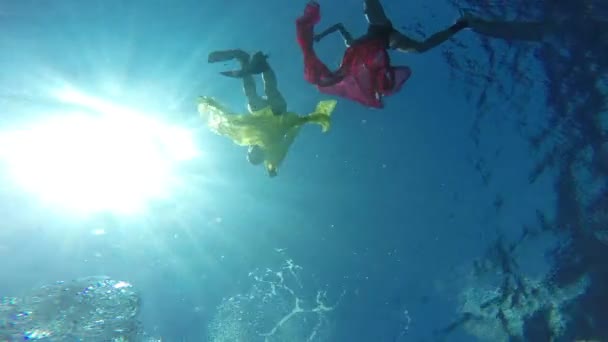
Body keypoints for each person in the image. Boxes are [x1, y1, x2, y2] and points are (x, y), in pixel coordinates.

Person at [295, 0, 470, 108]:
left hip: (378, 28)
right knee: (420, 48)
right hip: (389, 40)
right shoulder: (361, 68)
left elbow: (339, 26)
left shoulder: (352, 46)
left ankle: (461, 25)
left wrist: (320, 35)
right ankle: (460, 25)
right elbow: (374, 80)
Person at [200, 49, 337, 177]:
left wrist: (213, 105)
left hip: (261, 113)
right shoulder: (274, 148)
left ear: (250, 150)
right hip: (278, 113)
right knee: (269, 92)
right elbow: (286, 143)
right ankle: (263, 66)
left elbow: (232, 120)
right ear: (263, 156)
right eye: (256, 154)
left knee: (252, 96)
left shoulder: (248, 137)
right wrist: (272, 168)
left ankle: (245, 61)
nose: (254, 150)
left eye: (251, 152)